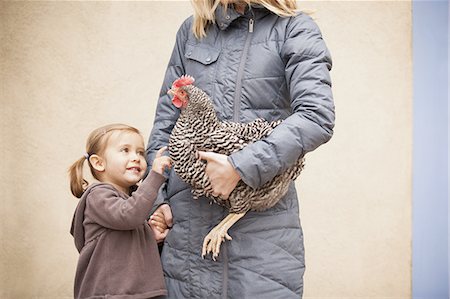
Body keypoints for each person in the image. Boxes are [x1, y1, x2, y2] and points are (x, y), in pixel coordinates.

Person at [146, 0, 335, 297]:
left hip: (260, 235)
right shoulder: (192, 31)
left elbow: (316, 116)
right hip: (186, 240)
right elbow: (165, 127)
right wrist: (156, 200)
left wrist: (241, 166)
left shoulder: (294, 28)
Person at [69, 123, 172, 299]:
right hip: (110, 293)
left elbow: (122, 238)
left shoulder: (135, 200)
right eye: (125, 150)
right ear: (99, 163)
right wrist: (154, 177)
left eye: (140, 152)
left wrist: (150, 238)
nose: (136, 158)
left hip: (140, 292)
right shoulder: (98, 195)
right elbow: (127, 216)